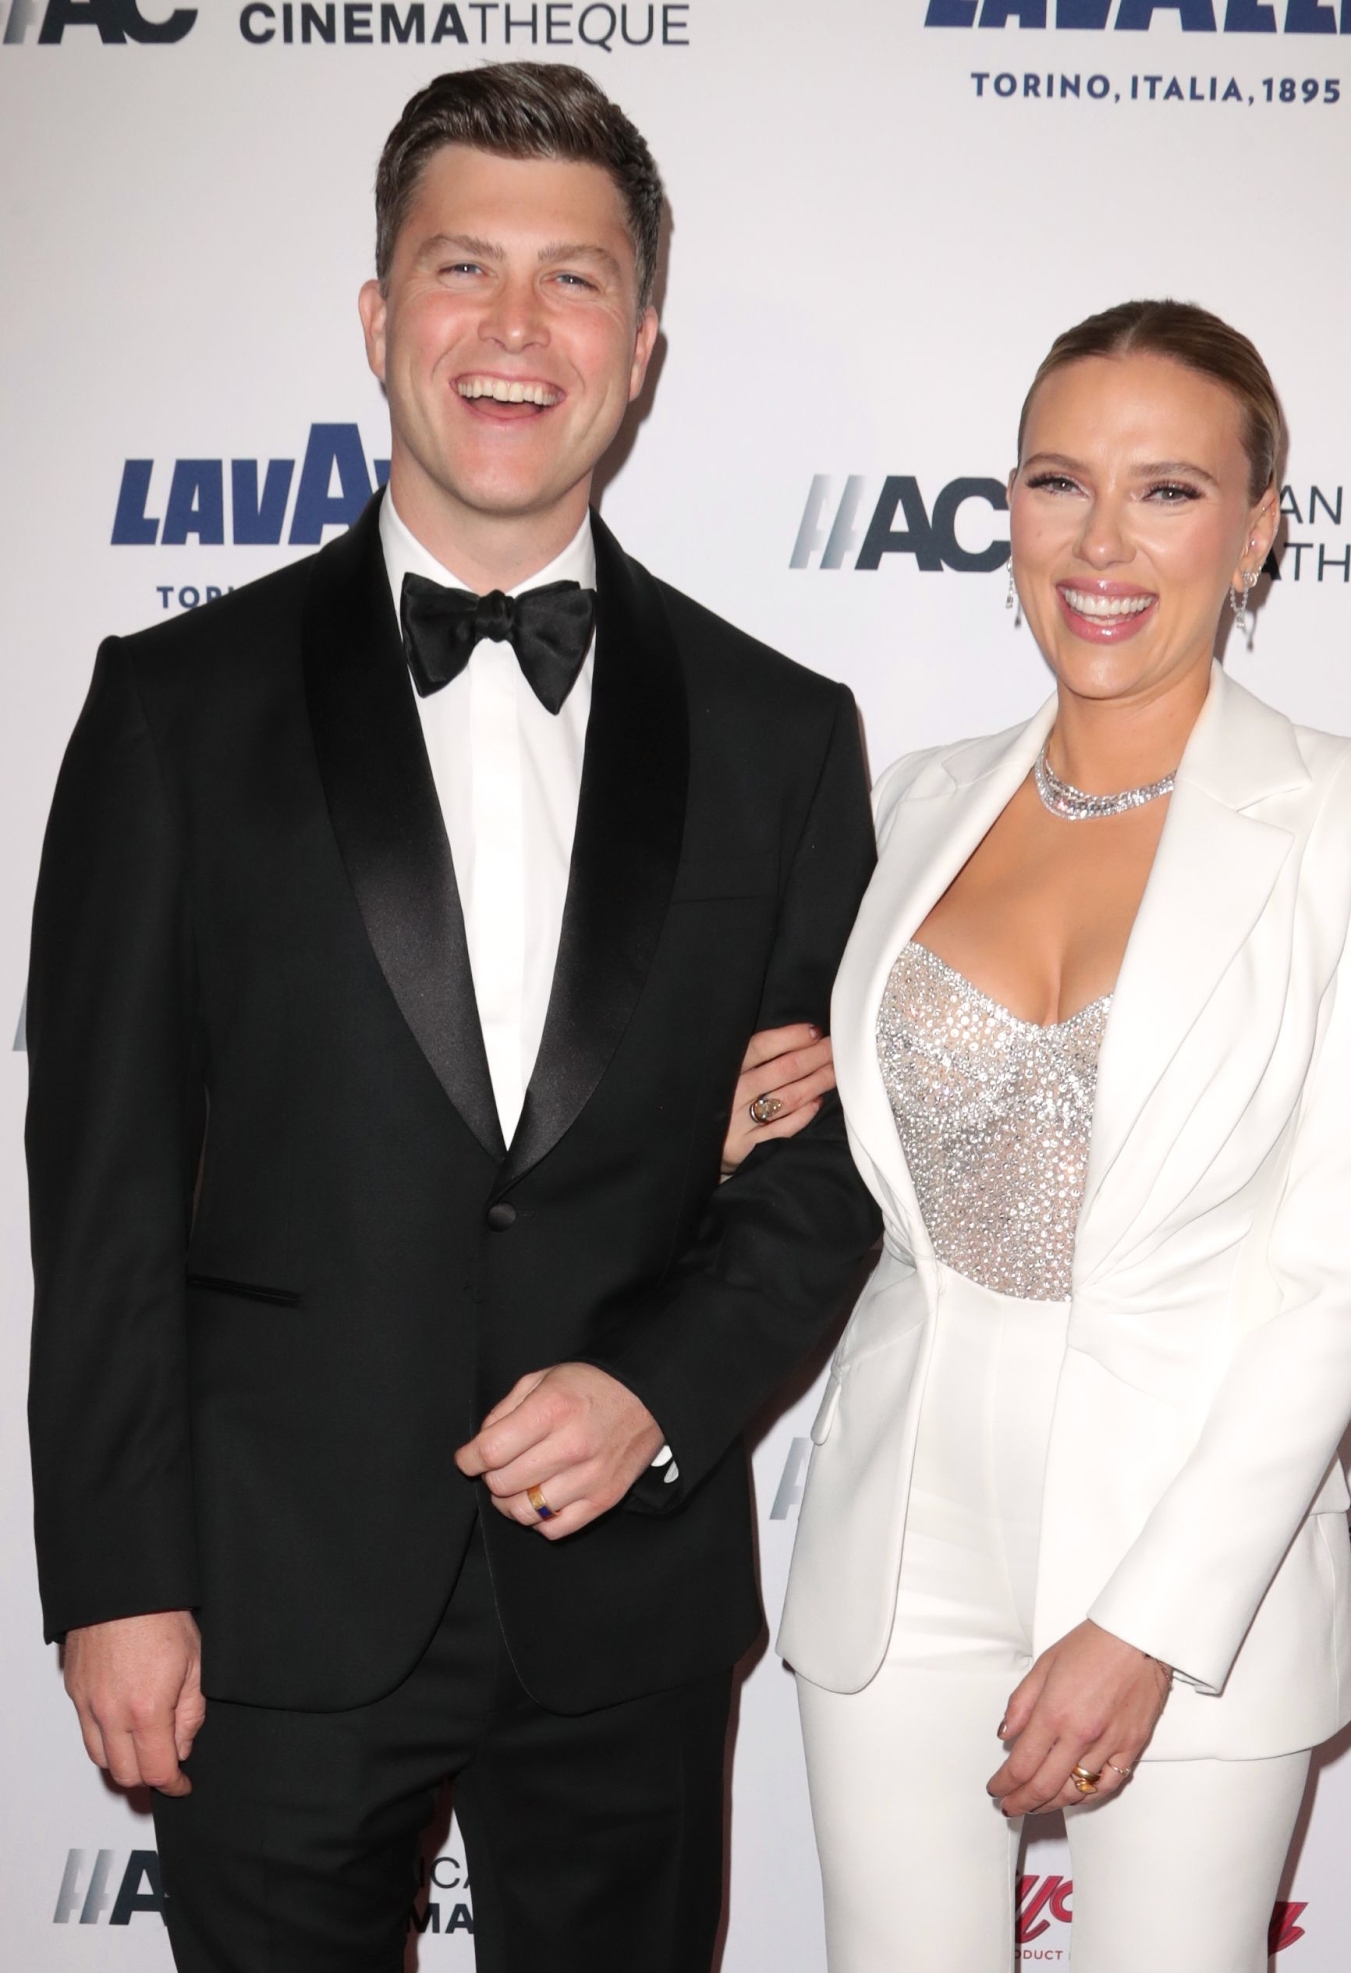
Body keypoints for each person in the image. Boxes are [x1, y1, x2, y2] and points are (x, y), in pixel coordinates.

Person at [26, 61, 877, 1973]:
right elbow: (99, 1191)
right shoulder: (172, 709)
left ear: (640, 351)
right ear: (375, 312)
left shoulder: (781, 733)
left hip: (626, 1607)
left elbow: (826, 1171)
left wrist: (657, 1390)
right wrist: (116, 1575)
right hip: (264, 1603)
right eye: (461, 267)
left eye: (574, 279)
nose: (514, 328)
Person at [776, 299, 1351, 1972]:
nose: (1100, 543)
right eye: (1057, 481)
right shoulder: (912, 801)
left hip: (1197, 1557)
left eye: (1168, 491)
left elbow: (1341, 1276)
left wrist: (1150, 1619)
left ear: (1260, 529)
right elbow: (870, 1157)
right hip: (897, 1537)